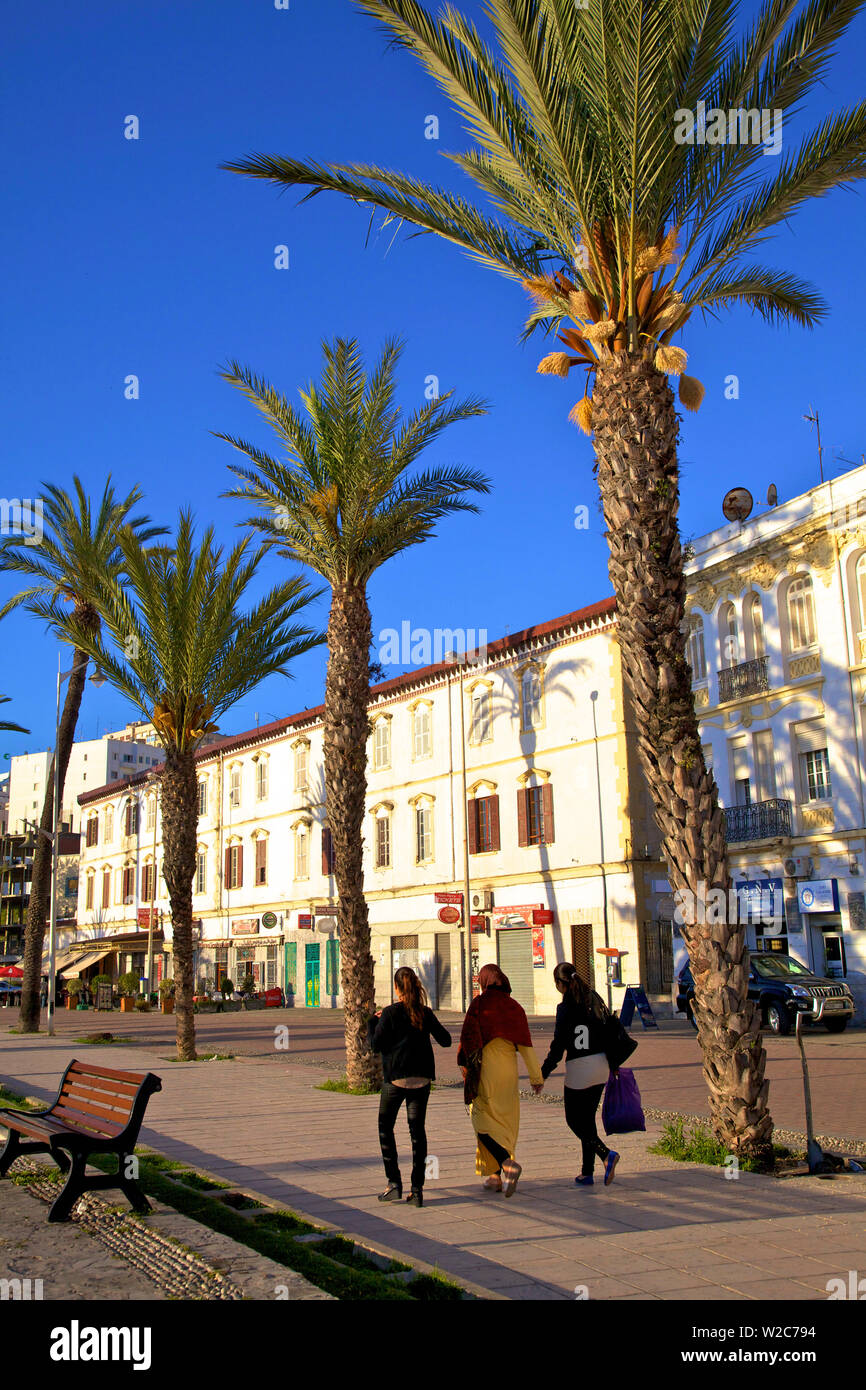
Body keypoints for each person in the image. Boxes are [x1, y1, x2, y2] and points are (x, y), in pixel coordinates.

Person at [368, 966, 452, 1208]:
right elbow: (445, 1041)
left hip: (396, 1079)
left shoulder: (390, 1013)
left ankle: (394, 1183)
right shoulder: (424, 1012)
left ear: (396, 988)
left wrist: (372, 1022)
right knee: (418, 1132)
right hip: (422, 1080)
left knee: (385, 1127)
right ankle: (417, 1190)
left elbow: (375, 1045)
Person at [457, 963, 543, 1197]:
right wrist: (536, 1076)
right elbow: (525, 1044)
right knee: (505, 1123)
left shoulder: (479, 1004)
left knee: (481, 1120)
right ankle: (494, 1176)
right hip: (508, 1071)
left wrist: (464, 1065)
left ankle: (506, 1164)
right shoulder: (515, 1007)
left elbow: (467, 1038)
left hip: (486, 1070)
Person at [540, 962, 619, 1187]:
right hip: (601, 1065)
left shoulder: (565, 1008)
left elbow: (558, 1046)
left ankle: (606, 1155)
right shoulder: (593, 999)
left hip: (579, 1068)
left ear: (559, 984)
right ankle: (587, 1172)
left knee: (574, 1120)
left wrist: (543, 1073)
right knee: (587, 1120)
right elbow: (608, 1031)